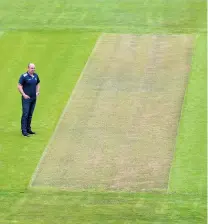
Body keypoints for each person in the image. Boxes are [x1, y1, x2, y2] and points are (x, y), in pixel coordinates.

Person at [17, 63, 40, 137]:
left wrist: (37, 91)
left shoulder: (36, 76)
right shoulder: (24, 76)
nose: (33, 69)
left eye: (34, 68)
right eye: (31, 68)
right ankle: (24, 131)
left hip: (33, 98)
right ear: (28, 68)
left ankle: (28, 129)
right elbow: (19, 86)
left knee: (30, 114)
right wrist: (23, 94)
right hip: (26, 99)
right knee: (25, 114)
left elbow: (38, 83)